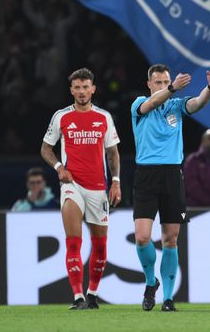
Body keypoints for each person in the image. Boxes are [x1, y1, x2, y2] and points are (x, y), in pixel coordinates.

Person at [132, 64, 210, 312]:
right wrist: (171, 88)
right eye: (157, 83)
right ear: (149, 84)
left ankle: (168, 300)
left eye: (165, 82)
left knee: (170, 240)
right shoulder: (139, 104)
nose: (161, 86)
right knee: (142, 237)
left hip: (172, 174)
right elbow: (149, 105)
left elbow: (197, 104)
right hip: (146, 175)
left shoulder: (176, 105)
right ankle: (151, 282)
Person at [40, 68, 121, 309]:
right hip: (71, 185)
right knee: (73, 242)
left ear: (93, 88)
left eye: (86, 87)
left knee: (100, 245)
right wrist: (58, 167)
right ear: (71, 90)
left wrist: (115, 182)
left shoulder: (104, 117)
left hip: (99, 187)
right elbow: (45, 149)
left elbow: (113, 153)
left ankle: (93, 293)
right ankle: (78, 296)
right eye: (77, 87)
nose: (82, 91)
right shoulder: (61, 117)